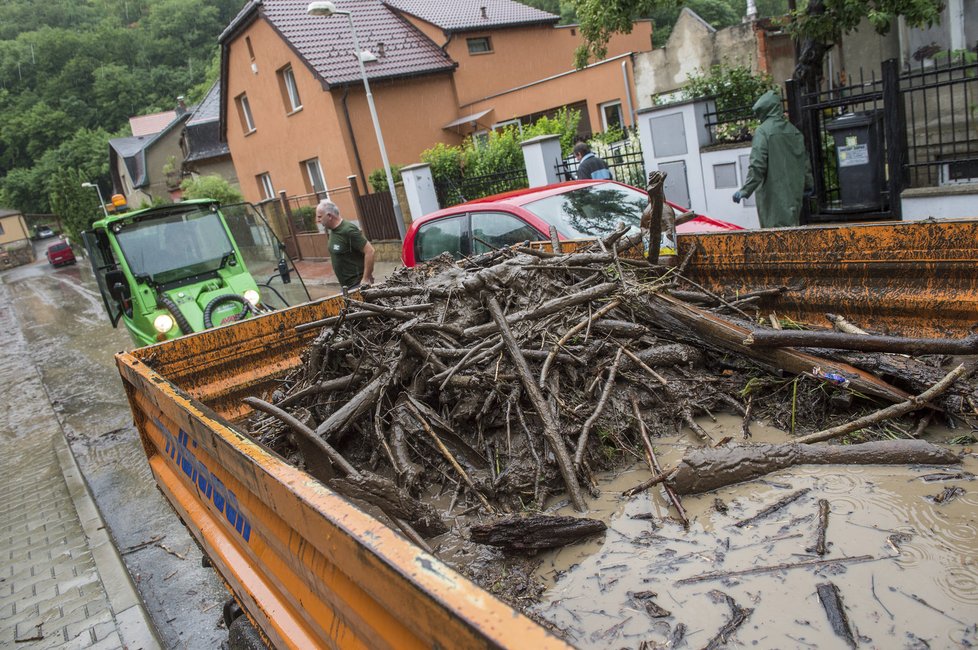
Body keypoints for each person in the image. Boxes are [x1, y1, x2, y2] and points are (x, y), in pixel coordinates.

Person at [732, 90, 814, 228]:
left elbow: (757, 164)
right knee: (792, 233)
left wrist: (746, 190)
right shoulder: (794, 131)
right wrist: (808, 184)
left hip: (773, 195)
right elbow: (804, 161)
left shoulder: (763, 131)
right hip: (793, 193)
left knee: (775, 237)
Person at [315, 199, 375, 289]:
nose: (318, 220)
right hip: (346, 287)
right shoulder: (333, 230)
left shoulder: (348, 230)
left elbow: (370, 251)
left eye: (319, 217)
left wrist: (365, 279)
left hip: (357, 285)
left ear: (329, 216)